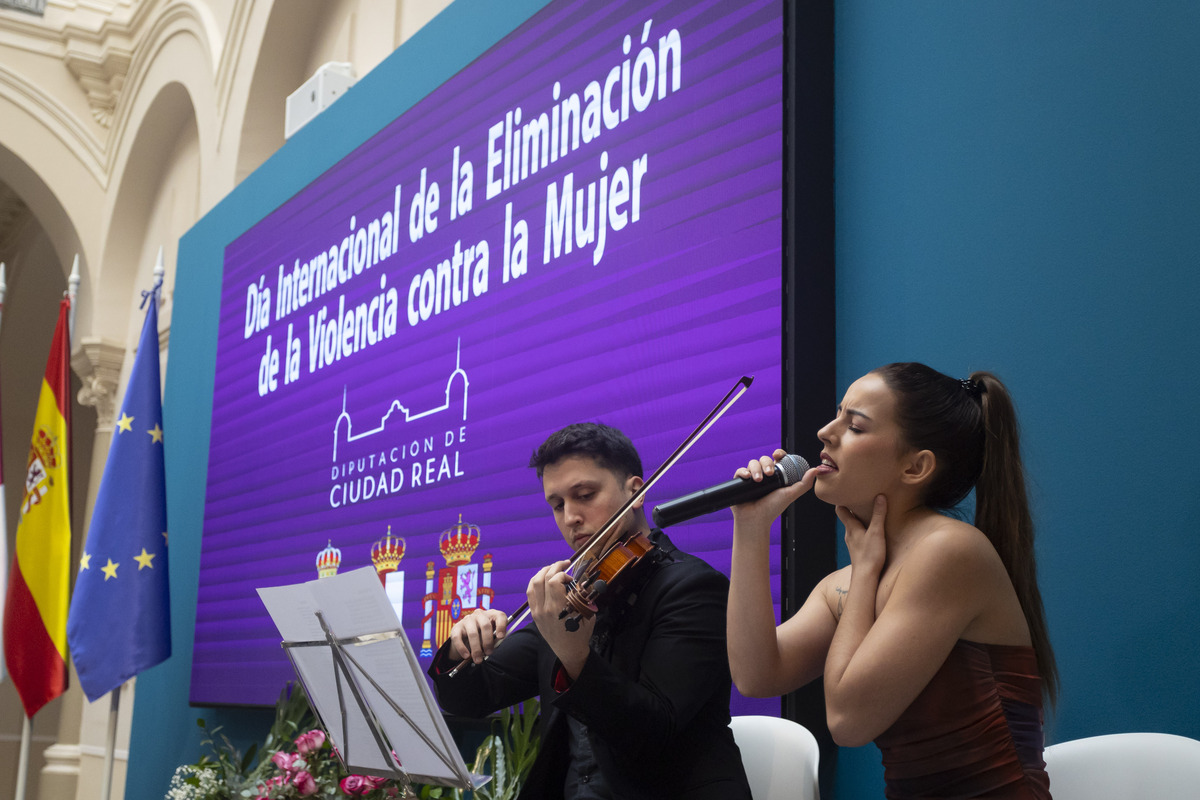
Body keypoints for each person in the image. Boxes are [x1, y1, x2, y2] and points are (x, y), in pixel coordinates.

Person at [727, 363, 1058, 800]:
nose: (826, 432)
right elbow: (757, 676)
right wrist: (750, 530)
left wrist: (865, 575)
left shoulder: (949, 552)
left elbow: (848, 721)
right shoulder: (842, 584)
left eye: (855, 426)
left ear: (916, 467)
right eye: (836, 414)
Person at [428, 422, 752, 800]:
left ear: (636, 492)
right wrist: (461, 645)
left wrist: (574, 655)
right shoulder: (569, 596)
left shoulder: (693, 588)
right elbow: (470, 697)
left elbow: (651, 732)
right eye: (557, 505)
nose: (570, 517)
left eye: (584, 495)